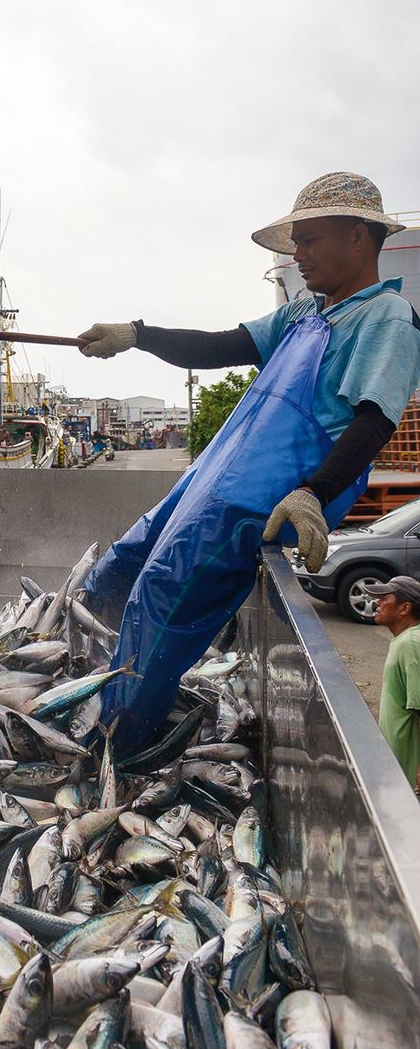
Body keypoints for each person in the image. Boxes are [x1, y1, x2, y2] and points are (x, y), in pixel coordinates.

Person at [75, 172, 420, 754]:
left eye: (309, 239)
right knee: (121, 563)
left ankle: (110, 746)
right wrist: (136, 334)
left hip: (253, 501)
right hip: (211, 480)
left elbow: (374, 419)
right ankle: (70, 678)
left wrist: (314, 493)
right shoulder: (305, 312)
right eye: (296, 242)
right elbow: (218, 347)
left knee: (161, 596)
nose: (298, 254)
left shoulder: (386, 317)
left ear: (358, 236)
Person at [372, 575, 420, 791]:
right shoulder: (403, 640)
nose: (377, 602)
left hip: (409, 772)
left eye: (384, 599)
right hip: (397, 763)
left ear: (404, 608)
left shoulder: (411, 644)